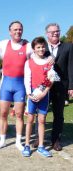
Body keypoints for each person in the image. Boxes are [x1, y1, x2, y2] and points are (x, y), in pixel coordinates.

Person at [0, 21, 32, 151]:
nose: (17, 31)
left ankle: (18, 142)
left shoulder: (28, 46)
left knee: (19, 115)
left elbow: (38, 56)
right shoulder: (3, 44)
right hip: (6, 85)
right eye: (15, 29)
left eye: (20, 29)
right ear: (10, 31)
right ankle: (2, 141)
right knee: (3, 114)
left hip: (19, 85)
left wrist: (49, 58)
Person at [23, 37, 53, 157]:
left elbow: (51, 79)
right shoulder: (29, 62)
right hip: (32, 96)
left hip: (44, 96)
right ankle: (26, 145)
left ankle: (41, 146)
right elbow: (27, 79)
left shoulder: (49, 62)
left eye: (42, 46)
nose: (41, 49)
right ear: (34, 49)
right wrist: (29, 94)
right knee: (30, 120)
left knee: (41, 121)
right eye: (38, 47)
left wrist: (45, 92)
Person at [44, 23, 73, 151]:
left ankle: (55, 140)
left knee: (58, 114)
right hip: (44, 86)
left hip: (61, 86)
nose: (55, 33)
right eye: (52, 32)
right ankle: (39, 139)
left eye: (57, 31)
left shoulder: (68, 47)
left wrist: (71, 86)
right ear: (47, 34)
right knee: (41, 113)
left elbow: (71, 67)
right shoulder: (41, 47)